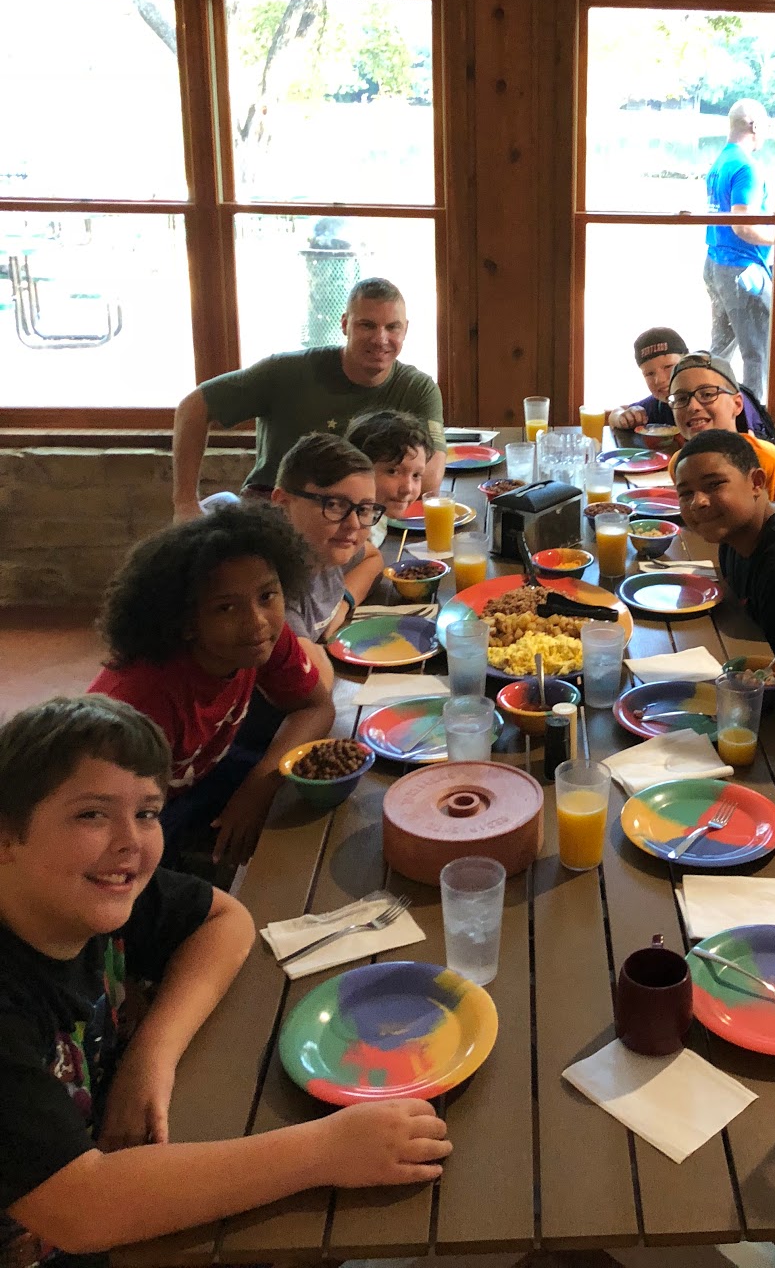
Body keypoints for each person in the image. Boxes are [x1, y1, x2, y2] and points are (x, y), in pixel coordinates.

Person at [0, 696, 451, 1268]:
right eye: (91, 814)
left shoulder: (84, 891)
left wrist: (150, 1055)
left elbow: (224, 919)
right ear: (6, 837)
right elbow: (82, 1210)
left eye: (147, 812)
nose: (130, 841)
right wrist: (324, 1151)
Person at [89, 504, 334, 869]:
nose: (257, 621)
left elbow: (315, 706)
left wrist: (258, 788)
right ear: (186, 623)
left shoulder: (263, 639)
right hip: (132, 812)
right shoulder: (139, 702)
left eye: (267, 596)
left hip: (203, 775)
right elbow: (102, 825)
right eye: (225, 608)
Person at [171, 277, 446, 522]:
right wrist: (185, 503)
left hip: (362, 515)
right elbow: (193, 407)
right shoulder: (286, 372)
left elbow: (430, 478)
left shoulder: (418, 389)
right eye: (367, 325)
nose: (380, 339)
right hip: (275, 513)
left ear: (405, 330)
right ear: (345, 324)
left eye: (392, 327)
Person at [672, 429, 775, 656]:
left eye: (714, 485)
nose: (698, 502)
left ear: (756, 482)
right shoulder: (733, 535)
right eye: (686, 493)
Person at [270, 433, 388, 683]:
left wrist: (344, 602)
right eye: (334, 504)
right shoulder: (273, 591)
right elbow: (314, 682)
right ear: (283, 504)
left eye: (364, 509)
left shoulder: (323, 552)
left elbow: (373, 558)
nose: (353, 524)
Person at [667, 352, 775, 508]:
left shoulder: (772, 464)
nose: (693, 407)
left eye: (707, 394)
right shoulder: (680, 464)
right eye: (681, 399)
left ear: (737, 404)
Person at [703, 99, 774, 397]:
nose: (767, 132)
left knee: (720, 350)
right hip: (743, 270)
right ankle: (757, 418)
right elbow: (742, 226)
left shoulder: (720, 162)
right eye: (766, 125)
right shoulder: (746, 167)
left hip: (715, 263)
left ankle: (704, 400)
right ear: (754, 126)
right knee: (757, 352)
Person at [607, 325, 774, 439]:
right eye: (649, 373)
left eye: (668, 367)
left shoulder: (728, 395)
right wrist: (621, 417)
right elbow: (619, 412)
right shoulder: (664, 402)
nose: (660, 380)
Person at [345, 408, 435, 543]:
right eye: (392, 471)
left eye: (416, 475)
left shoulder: (375, 519)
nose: (408, 488)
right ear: (355, 467)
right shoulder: (344, 529)